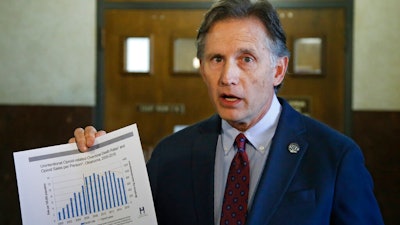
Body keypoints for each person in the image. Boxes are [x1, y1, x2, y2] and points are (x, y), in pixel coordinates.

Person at [70, 0, 384, 224]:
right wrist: (90, 168)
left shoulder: (335, 157)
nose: (227, 76)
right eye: (216, 59)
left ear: (278, 69)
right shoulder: (170, 156)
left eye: (246, 58)